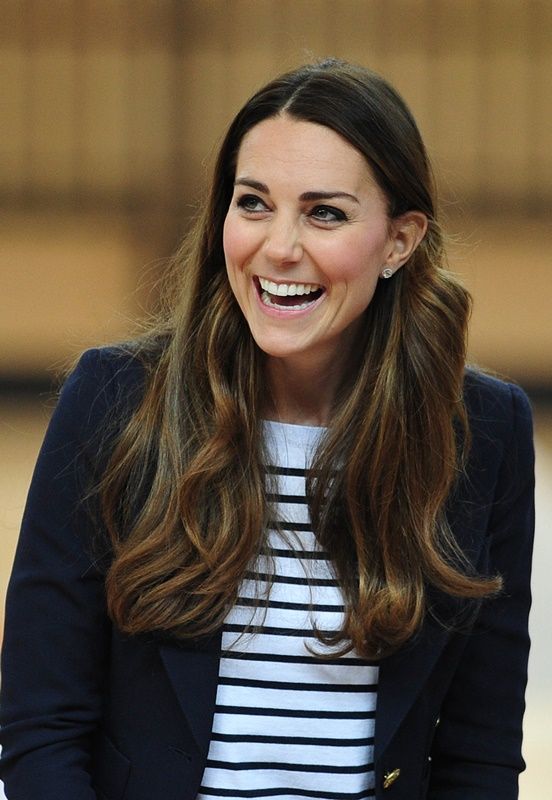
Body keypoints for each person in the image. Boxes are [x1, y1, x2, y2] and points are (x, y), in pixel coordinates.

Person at [0, 59, 534, 800]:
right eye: (253, 203)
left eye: (325, 213)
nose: (279, 247)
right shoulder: (113, 402)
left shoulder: (485, 433)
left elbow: (480, 756)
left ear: (400, 240)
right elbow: (40, 731)